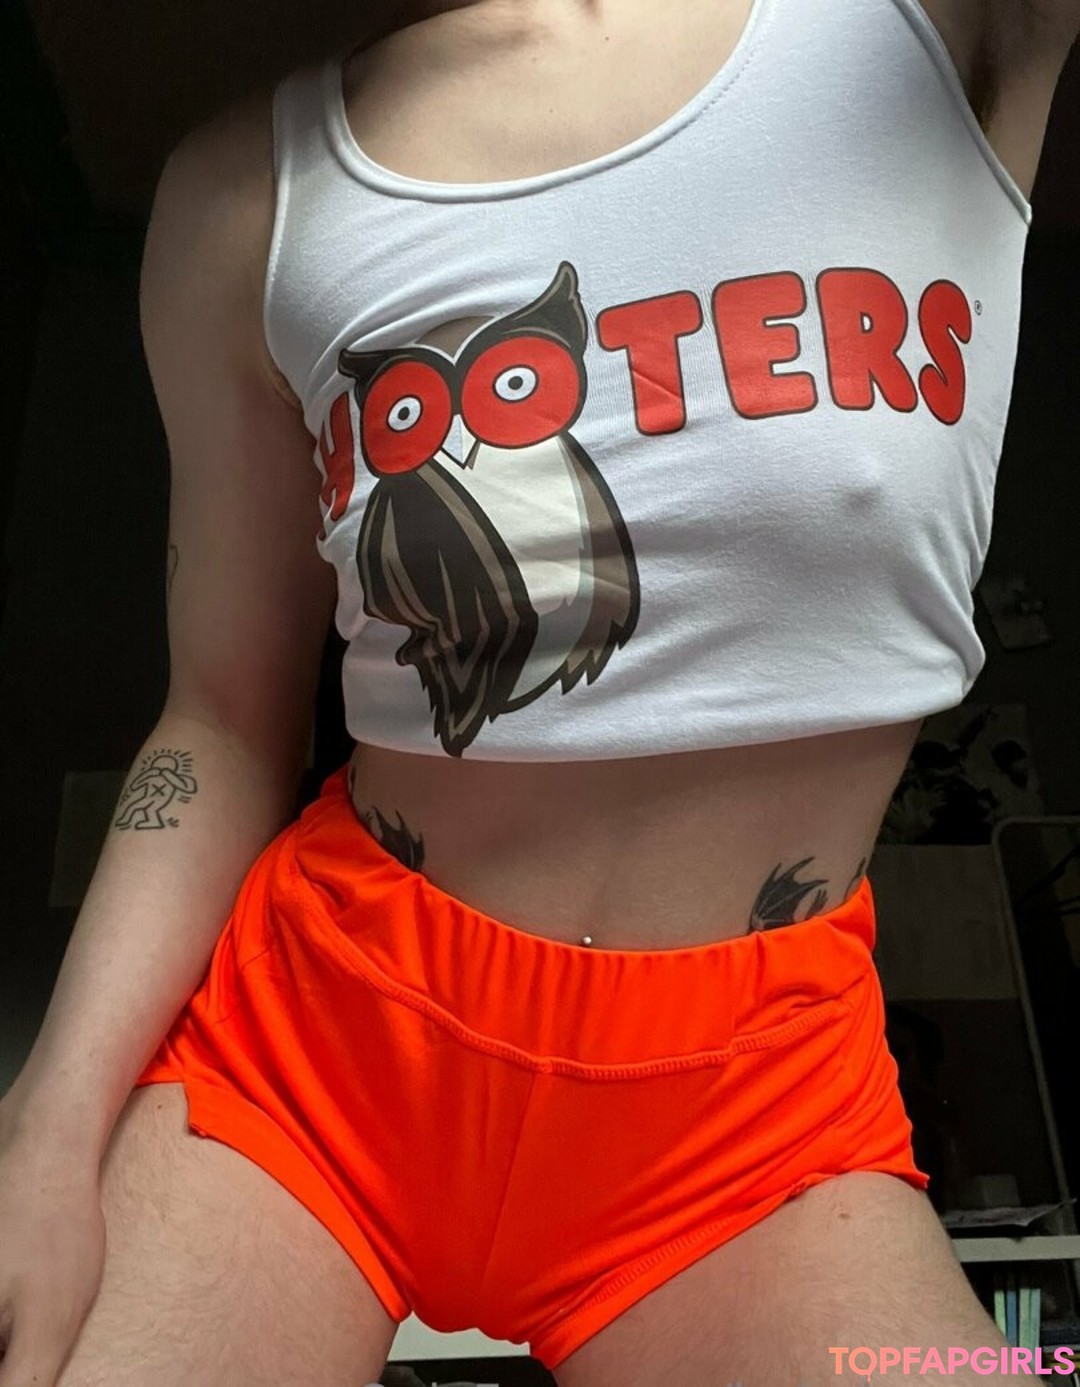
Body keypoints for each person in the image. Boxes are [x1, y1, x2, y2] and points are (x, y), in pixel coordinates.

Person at [1, 1, 1076, 1383]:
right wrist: (46, 1128)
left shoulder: (933, 35)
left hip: (755, 1131)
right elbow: (219, 717)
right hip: (318, 1062)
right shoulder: (245, 193)